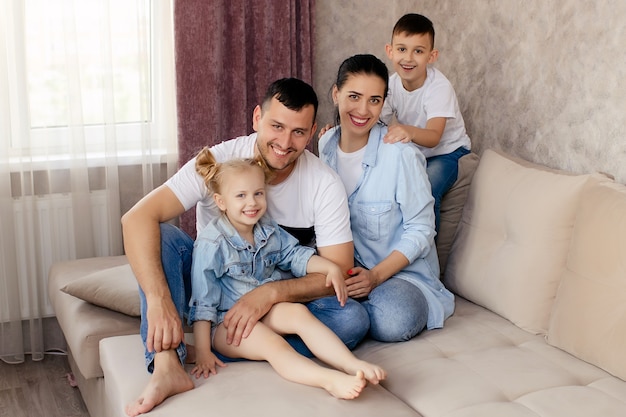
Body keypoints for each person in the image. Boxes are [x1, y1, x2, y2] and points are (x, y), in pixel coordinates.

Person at [122, 78, 371, 416]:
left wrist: (268, 296)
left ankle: (226, 344)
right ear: (257, 118)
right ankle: (169, 364)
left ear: (312, 132)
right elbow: (135, 219)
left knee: (352, 320)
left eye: (298, 132)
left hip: (273, 288)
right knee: (163, 238)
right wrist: (158, 299)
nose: (284, 142)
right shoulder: (219, 163)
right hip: (214, 286)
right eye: (276, 126)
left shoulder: (323, 183)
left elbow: (336, 269)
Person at [188, 149, 385, 399]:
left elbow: (294, 255)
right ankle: (328, 380)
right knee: (271, 343)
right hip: (226, 322)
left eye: (258, 193)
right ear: (221, 202)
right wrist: (205, 352)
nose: (252, 203)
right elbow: (203, 303)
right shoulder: (211, 243)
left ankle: (351, 364)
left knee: (298, 313)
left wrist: (329, 267)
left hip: (262, 310)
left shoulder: (267, 229)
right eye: (241, 196)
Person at [318, 54, 455, 344]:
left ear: (383, 103)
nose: (363, 110)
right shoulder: (325, 145)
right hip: (350, 270)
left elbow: (421, 230)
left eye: (375, 100)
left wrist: (376, 277)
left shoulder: (400, 154)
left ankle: (345, 317)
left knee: (393, 319)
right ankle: (346, 315)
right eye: (354, 96)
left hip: (402, 276)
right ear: (335, 94)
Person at [381, 13, 471, 235]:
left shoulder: (438, 87)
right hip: (414, 151)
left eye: (418, 51)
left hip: (448, 151)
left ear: (432, 56)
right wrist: (339, 130)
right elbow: (376, 123)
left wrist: (407, 131)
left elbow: (433, 137)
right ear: (390, 51)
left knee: (426, 189)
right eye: (402, 49)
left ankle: (428, 252)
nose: (408, 58)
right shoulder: (391, 85)